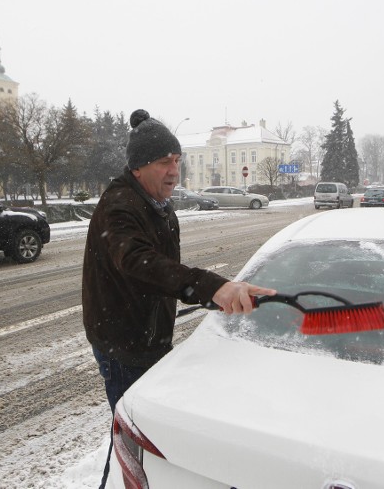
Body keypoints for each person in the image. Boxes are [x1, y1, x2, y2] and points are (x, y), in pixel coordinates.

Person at [82, 109, 276, 488]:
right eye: (163, 163)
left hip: (149, 335)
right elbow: (138, 260)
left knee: (143, 429)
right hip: (124, 341)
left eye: (177, 160)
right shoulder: (120, 205)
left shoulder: (157, 204)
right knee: (136, 438)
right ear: (138, 167)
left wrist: (207, 291)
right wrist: (211, 288)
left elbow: (163, 268)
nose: (174, 171)